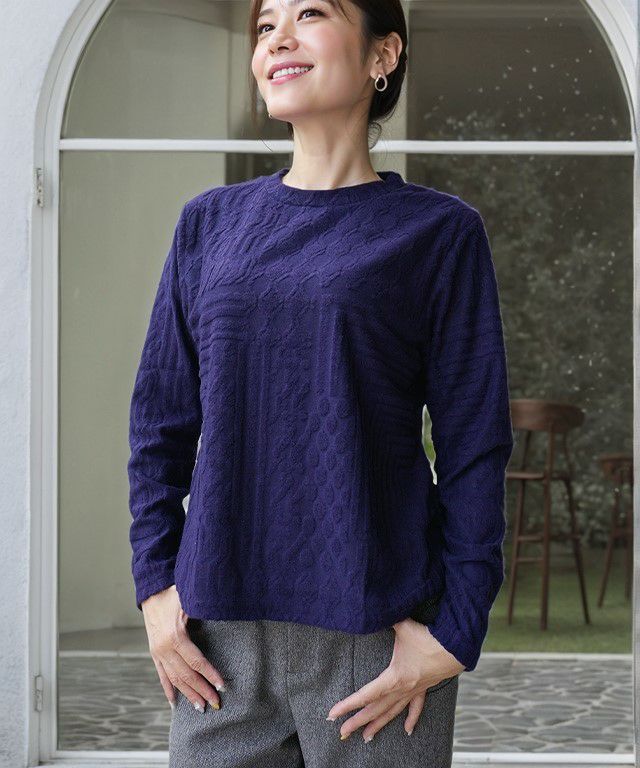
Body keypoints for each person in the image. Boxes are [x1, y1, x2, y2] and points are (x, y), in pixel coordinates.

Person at [126, 0, 515, 765]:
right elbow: (159, 421)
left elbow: (475, 442)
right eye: (265, 24)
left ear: (383, 55)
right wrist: (155, 588)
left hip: (378, 632)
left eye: (309, 12)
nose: (278, 38)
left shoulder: (439, 233)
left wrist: (456, 629)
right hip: (217, 638)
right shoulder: (209, 225)